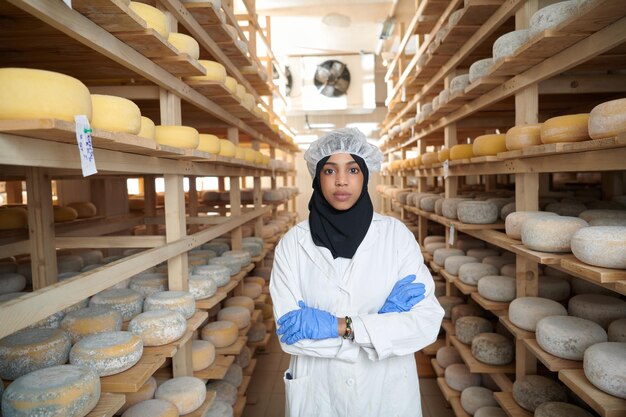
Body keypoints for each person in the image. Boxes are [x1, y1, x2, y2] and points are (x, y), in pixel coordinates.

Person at [269, 128, 445, 417]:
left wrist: (343, 327)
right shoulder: (292, 244)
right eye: (329, 170)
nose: (341, 180)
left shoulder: (396, 237)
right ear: (317, 177)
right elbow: (292, 337)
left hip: (386, 393)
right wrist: (381, 329)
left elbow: (426, 323)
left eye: (352, 169)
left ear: (365, 175)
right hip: (320, 394)